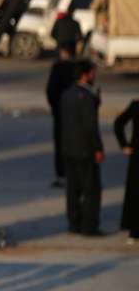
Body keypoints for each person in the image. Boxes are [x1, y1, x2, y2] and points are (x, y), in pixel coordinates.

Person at [60, 59, 104, 236]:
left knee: (72, 190)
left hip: (69, 150)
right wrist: (98, 149)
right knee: (91, 190)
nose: (94, 76)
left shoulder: (66, 94)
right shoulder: (87, 97)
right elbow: (90, 127)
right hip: (86, 151)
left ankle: (74, 223)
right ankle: (89, 227)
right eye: (93, 73)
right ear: (85, 75)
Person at [45, 44, 76, 188]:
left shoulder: (58, 68)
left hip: (60, 112)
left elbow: (50, 91)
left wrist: (54, 107)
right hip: (75, 113)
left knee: (60, 145)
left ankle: (61, 175)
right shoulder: (76, 67)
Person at [114, 99, 139, 243]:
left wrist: (124, 145)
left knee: (135, 194)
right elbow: (118, 123)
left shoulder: (136, 105)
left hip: (136, 157)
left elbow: (118, 123)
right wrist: (124, 145)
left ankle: (134, 232)